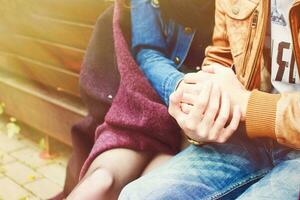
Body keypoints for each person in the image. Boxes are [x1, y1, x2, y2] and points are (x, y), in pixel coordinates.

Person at [119, 0, 300, 199]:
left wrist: (248, 104)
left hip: (271, 128)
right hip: (246, 133)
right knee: (136, 195)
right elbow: (221, 58)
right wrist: (200, 108)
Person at [66, 0, 215, 199]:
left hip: (198, 114)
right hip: (153, 105)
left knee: (140, 189)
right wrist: (180, 87)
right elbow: (148, 52)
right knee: (102, 183)